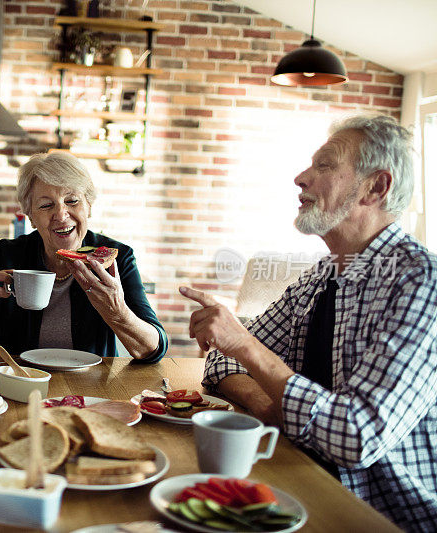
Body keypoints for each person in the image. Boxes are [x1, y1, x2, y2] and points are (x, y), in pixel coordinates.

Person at [181, 114, 437, 530]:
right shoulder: (324, 275)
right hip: (302, 476)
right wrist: (265, 401)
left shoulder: (422, 282)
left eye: (325, 165)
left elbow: (357, 436)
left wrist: (245, 346)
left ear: (376, 187)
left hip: (380, 516)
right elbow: (219, 361)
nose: (301, 178)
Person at [0, 151, 167, 361]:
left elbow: (153, 349)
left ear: (89, 206)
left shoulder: (118, 257)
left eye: (72, 201)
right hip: (15, 381)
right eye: (46, 205)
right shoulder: (9, 254)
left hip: (89, 389)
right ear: (30, 216)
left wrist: (117, 312)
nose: (61, 215)